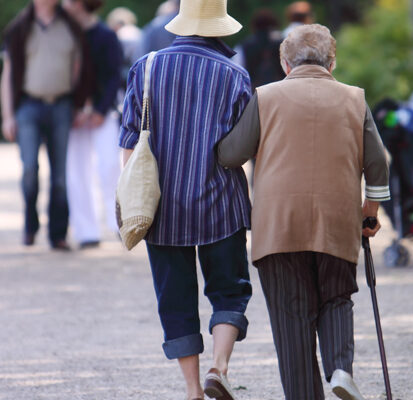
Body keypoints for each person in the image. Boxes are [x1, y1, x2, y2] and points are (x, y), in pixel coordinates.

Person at [217, 24, 390, 400]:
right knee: (337, 298)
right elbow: (378, 164)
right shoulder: (354, 99)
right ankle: (341, 368)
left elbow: (231, 155)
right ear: (332, 61)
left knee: (292, 320)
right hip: (338, 220)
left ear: (284, 62)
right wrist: (370, 212)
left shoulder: (265, 97)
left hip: (278, 226)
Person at [119, 1, 252, 399]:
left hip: (161, 207)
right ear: (219, 27)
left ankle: (193, 390)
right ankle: (220, 366)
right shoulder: (235, 74)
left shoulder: (147, 66)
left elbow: (129, 140)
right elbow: (243, 148)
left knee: (175, 299)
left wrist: (132, 195)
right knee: (229, 289)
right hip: (220, 203)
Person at [1, 0, 91, 250]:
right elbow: (8, 74)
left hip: (61, 106)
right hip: (28, 106)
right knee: (29, 169)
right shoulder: (20, 27)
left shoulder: (70, 26)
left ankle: (58, 234)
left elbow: (80, 66)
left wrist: (79, 102)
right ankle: (30, 226)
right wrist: (8, 115)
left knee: (59, 176)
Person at [62, 0, 123, 249]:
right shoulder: (64, 32)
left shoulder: (107, 37)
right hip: (73, 114)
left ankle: (119, 223)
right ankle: (86, 231)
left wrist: (98, 110)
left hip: (102, 113)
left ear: (78, 4)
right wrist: (73, 108)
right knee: (76, 173)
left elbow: (113, 77)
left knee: (110, 168)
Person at [233, 9, 285, 91]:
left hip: (254, 93)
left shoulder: (244, 45)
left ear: (254, 25)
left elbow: (237, 70)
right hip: (280, 91)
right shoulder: (283, 42)